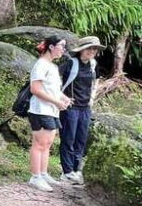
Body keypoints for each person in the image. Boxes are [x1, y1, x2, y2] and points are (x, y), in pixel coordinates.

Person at [28, 36, 71, 192]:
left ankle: (44, 173)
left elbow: (53, 89)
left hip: (51, 110)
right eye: (62, 46)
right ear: (51, 47)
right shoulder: (40, 65)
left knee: (47, 143)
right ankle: (35, 177)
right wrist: (56, 102)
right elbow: (35, 89)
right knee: (39, 143)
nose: (63, 49)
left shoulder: (52, 66)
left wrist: (63, 98)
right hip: (40, 110)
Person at [58, 36, 104, 185]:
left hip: (85, 108)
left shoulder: (93, 64)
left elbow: (96, 80)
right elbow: (55, 79)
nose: (92, 51)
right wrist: (61, 98)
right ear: (81, 50)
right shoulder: (71, 63)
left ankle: (76, 170)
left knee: (81, 139)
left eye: (94, 49)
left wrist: (92, 98)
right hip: (70, 107)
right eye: (89, 48)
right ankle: (67, 172)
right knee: (68, 138)